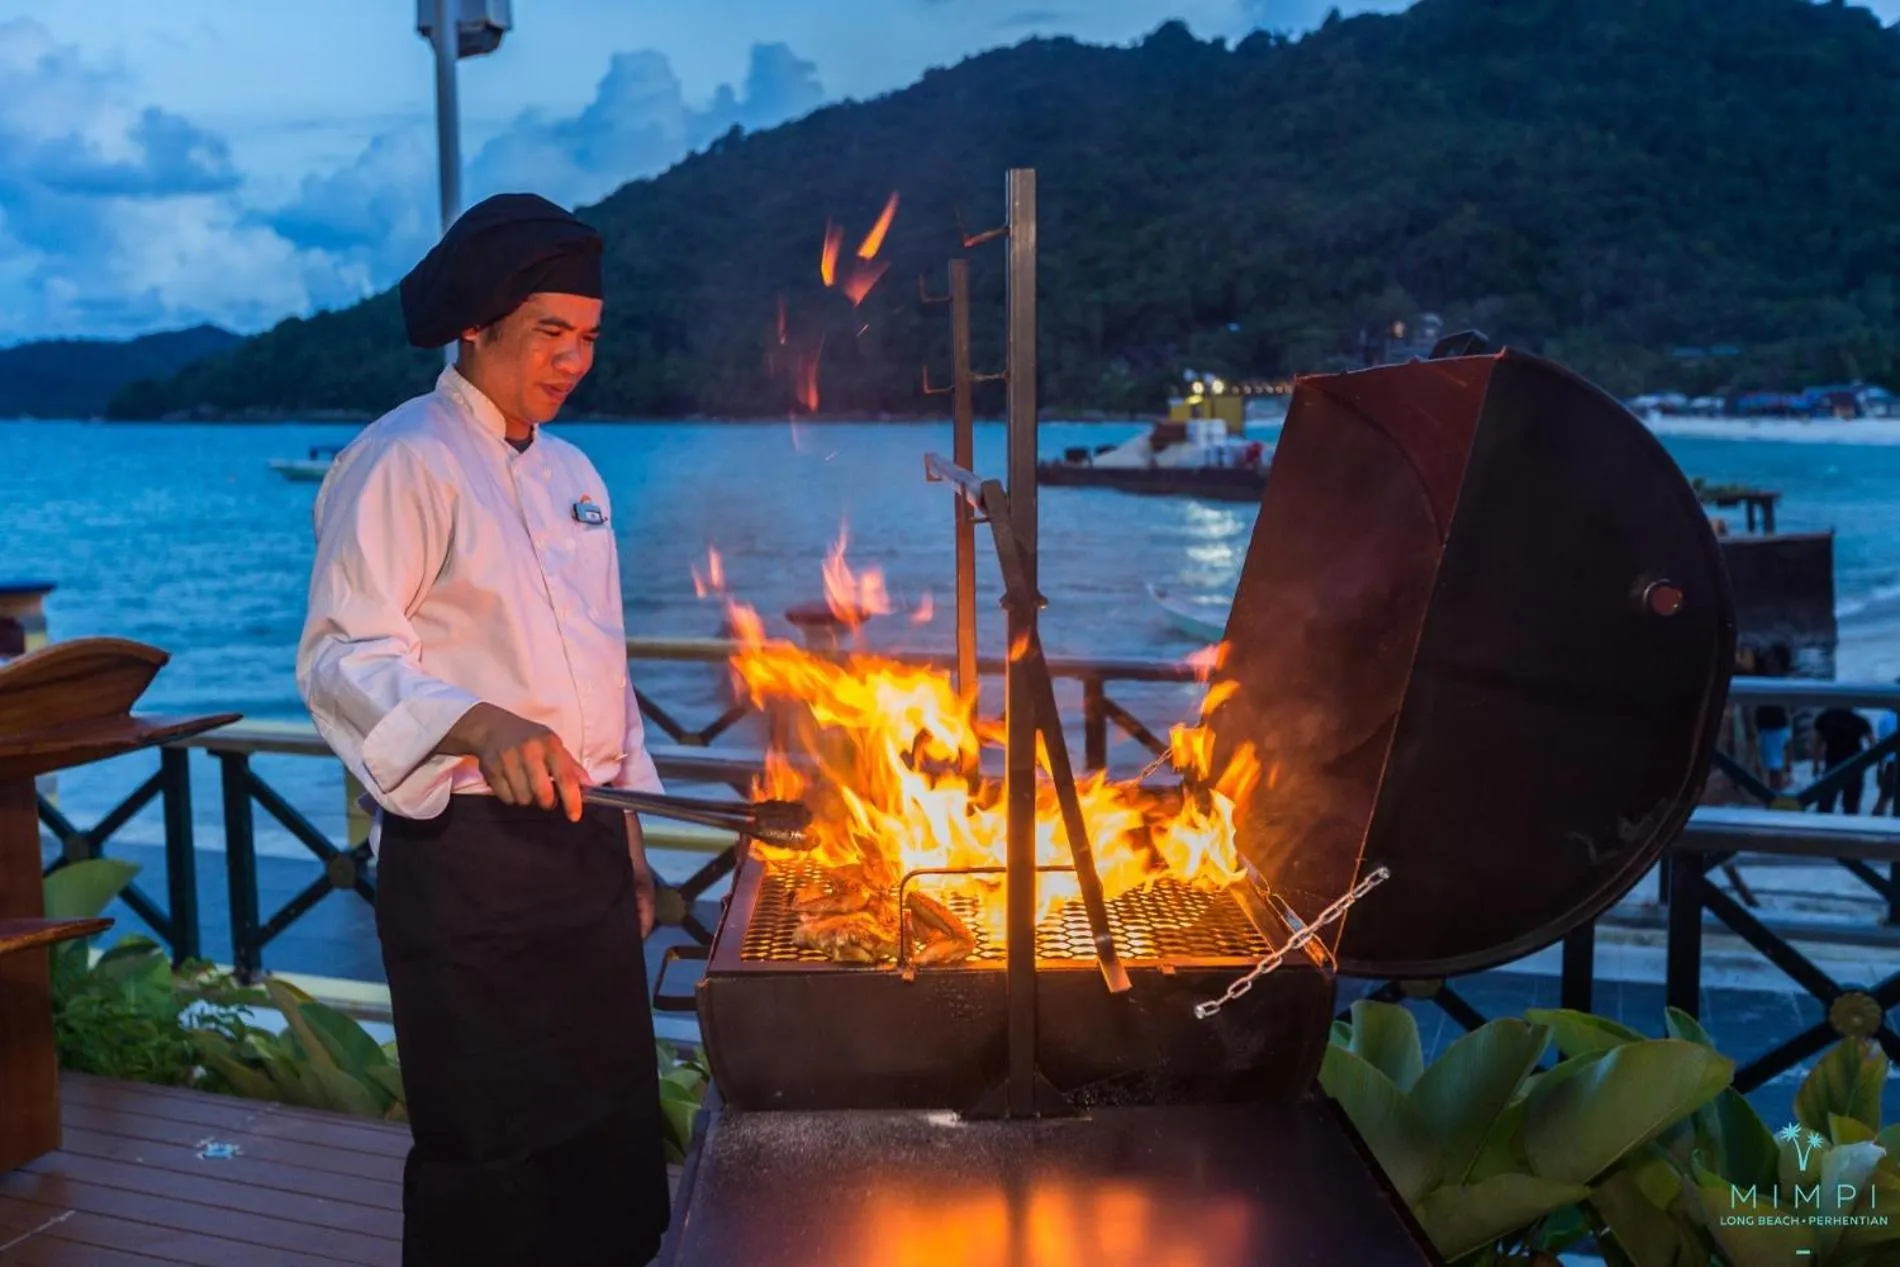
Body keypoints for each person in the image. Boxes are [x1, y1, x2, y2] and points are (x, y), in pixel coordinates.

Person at [296, 193, 670, 1266]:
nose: (573, 360)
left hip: (587, 842)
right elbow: (341, 654)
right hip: (468, 860)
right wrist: (476, 721)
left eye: (589, 337)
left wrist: (632, 845)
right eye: (551, 332)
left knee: (604, 1133)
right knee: (493, 1150)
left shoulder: (576, 476)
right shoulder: (402, 457)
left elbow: (608, 676)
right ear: (478, 323)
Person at [1811, 706, 1875, 815]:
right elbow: (1873, 744)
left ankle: (1822, 828)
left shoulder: (1825, 718)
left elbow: (1817, 744)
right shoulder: (1859, 720)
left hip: (1832, 764)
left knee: (1825, 805)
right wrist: (1867, 763)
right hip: (1854, 765)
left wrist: (1815, 765)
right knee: (1851, 806)